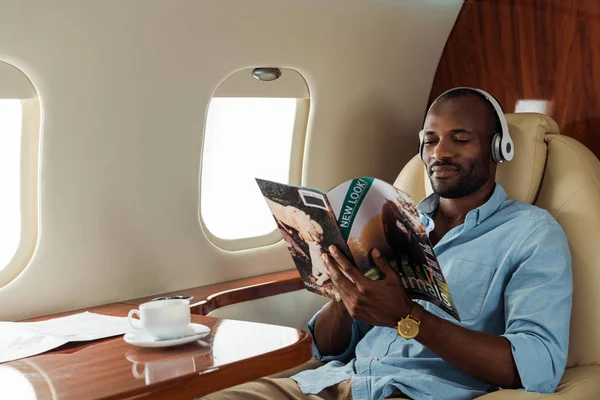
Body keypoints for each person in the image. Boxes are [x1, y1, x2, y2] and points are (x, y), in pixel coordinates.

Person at [201, 88, 573, 400]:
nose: (439, 153)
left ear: (497, 149)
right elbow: (326, 347)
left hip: (410, 392)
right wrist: (346, 287)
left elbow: (538, 366)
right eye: (430, 140)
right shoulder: (394, 221)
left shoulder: (532, 234)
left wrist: (407, 317)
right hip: (328, 381)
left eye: (460, 139)